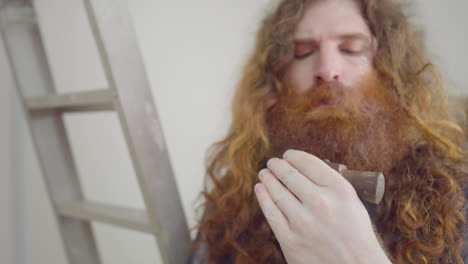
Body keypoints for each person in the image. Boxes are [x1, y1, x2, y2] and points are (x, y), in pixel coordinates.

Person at [191, 0, 468, 263]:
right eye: (303, 51)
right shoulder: (235, 201)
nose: (326, 69)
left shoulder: (456, 192)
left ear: (392, 70)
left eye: (350, 48)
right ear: (276, 78)